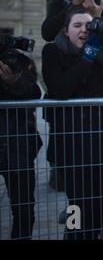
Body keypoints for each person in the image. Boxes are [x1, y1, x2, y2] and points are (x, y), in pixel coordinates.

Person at [42, 7, 103, 239]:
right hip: (70, 147)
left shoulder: (101, 52)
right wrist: (88, 55)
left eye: (88, 25)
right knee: (77, 206)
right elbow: (60, 89)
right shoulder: (53, 51)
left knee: (98, 206)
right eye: (77, 25)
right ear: (66, 29)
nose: (84, 30)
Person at [0, 47, 42, 239]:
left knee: (24, 211)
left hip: (18, 148)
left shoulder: (17, 62)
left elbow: (34, 92)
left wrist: (13, 79)